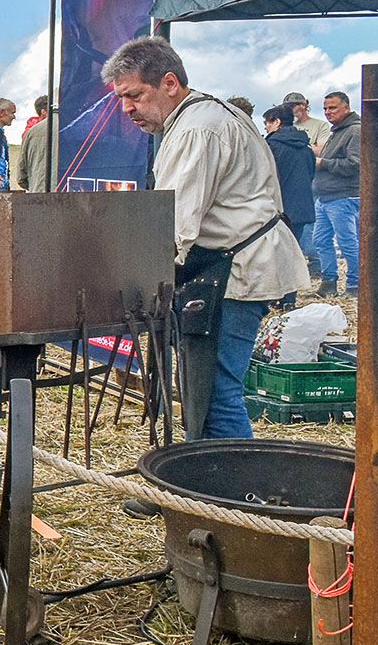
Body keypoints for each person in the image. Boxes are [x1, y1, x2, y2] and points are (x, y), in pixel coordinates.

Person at [102, 36, 307, 445]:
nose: (127, 109)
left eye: (135, 96)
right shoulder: (205, 116)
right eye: (122, 98)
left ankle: (232, 478)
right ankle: (203, 472)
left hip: (235, 274)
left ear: (170, 83)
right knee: (204, 394)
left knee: (215, 397)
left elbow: (174, 224)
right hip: (227, 267)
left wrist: (135, 276)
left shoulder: (198, 129)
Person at [263, 104, 318, 299]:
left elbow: (266, 178)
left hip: (278, 208)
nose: (266, 127)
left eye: (267, 123)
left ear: (277, 122)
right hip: (302, 207)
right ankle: (289, 298)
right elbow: (311, 174)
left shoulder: (271, 146)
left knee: (274, 255)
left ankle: (276, 297)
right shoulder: (306, 147)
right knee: (293, 253)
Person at [311, 91, 361, 297]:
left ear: (346, 107)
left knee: (347, 243)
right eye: (325, 108)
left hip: (343, 197)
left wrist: (323, 163)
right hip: (325, 197)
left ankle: (355, 285)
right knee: (320, 240)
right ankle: (328, 282)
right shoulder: (337, 131)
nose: (327, 112)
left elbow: (356, 164)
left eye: (332, 108)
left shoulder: (355, 131)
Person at [19, 95, 52, 193]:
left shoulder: (30, 131)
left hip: (36, 188)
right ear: (43, 111)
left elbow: (21, 171)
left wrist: (31, 185)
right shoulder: (63, 126)